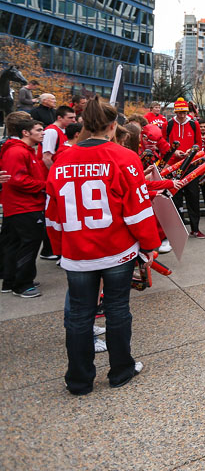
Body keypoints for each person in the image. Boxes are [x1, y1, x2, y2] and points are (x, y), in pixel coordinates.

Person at [44, 98, 160, 395]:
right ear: (112, 126)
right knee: (117, 310)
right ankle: (121, 370)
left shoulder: (62, 161)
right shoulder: (123, 157)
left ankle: (79, 379)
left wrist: (60, 248)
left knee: (79, 315)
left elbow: (52, 214)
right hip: (116, 250)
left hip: (77, 252)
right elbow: (137, 210)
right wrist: (150, 244)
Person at [0, 112, 46, 297]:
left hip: (21, 205)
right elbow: (17, 180)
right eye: (39, 130)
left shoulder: (23, 150)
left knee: (15, 244)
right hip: (24, 206)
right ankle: (22, 284)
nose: (43, 133)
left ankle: (11, 281)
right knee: (28, 244)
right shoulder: (17, 151)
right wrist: (44, 185)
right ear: (26, 132)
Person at [165, 99, 205, 238]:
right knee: (175, 199)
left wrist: (191, 151)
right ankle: (177, 230)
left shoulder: (194, 124)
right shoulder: (169, 124)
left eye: (184, 112)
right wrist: (173, 151)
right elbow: (164, 143)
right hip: (173, 167)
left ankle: (195, 229)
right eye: (179, 112)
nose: (182, 115)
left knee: (193, 197)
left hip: (190, 165)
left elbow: (199, 143)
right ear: (175, 112)